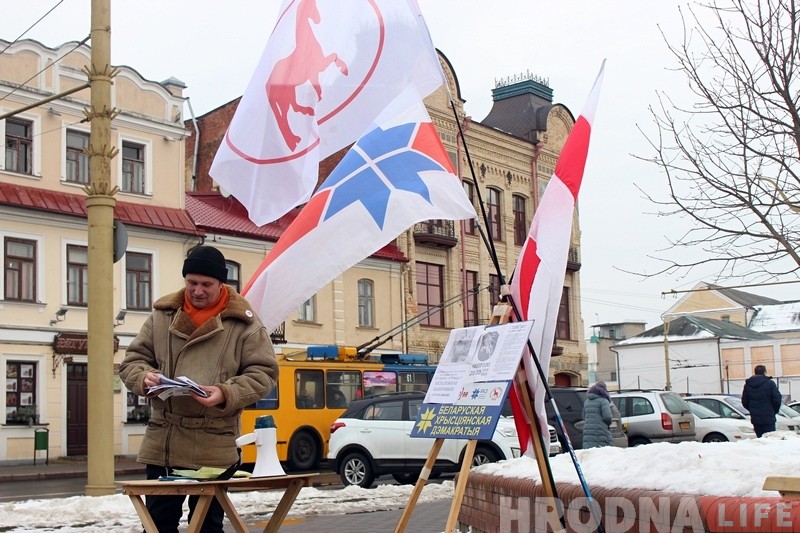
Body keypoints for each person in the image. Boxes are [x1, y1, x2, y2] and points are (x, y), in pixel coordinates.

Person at [119, 245, 278, 533]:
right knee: (157, 526)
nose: (198, 290)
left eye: (206, 284)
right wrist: (145, 378)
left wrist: (225, 393)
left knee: (206, 526)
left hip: (213, 444)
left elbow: (264, 373)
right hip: (164, 443)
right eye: (192, 283)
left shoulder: (244, 324)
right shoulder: (162, 315)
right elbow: (133, 360)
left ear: (221, 284)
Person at [741, 364, 781, 437]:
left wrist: (752, 410)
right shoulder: (770, 383)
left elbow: (744, 401)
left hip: (755, 418)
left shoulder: (748, 385)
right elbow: (777, 399)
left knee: (760, 439)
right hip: (769, 417)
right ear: (764, 372)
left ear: (755, 372)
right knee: (770, 439)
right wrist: (774, 411)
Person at [582, 381, 613, 448]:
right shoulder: (604, 401)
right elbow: (607, 417)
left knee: (590, 453)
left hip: (588, 432)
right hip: (601, 431)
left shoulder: (587, 401)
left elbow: (583, 416)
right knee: (602, 453)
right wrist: (608, 424)